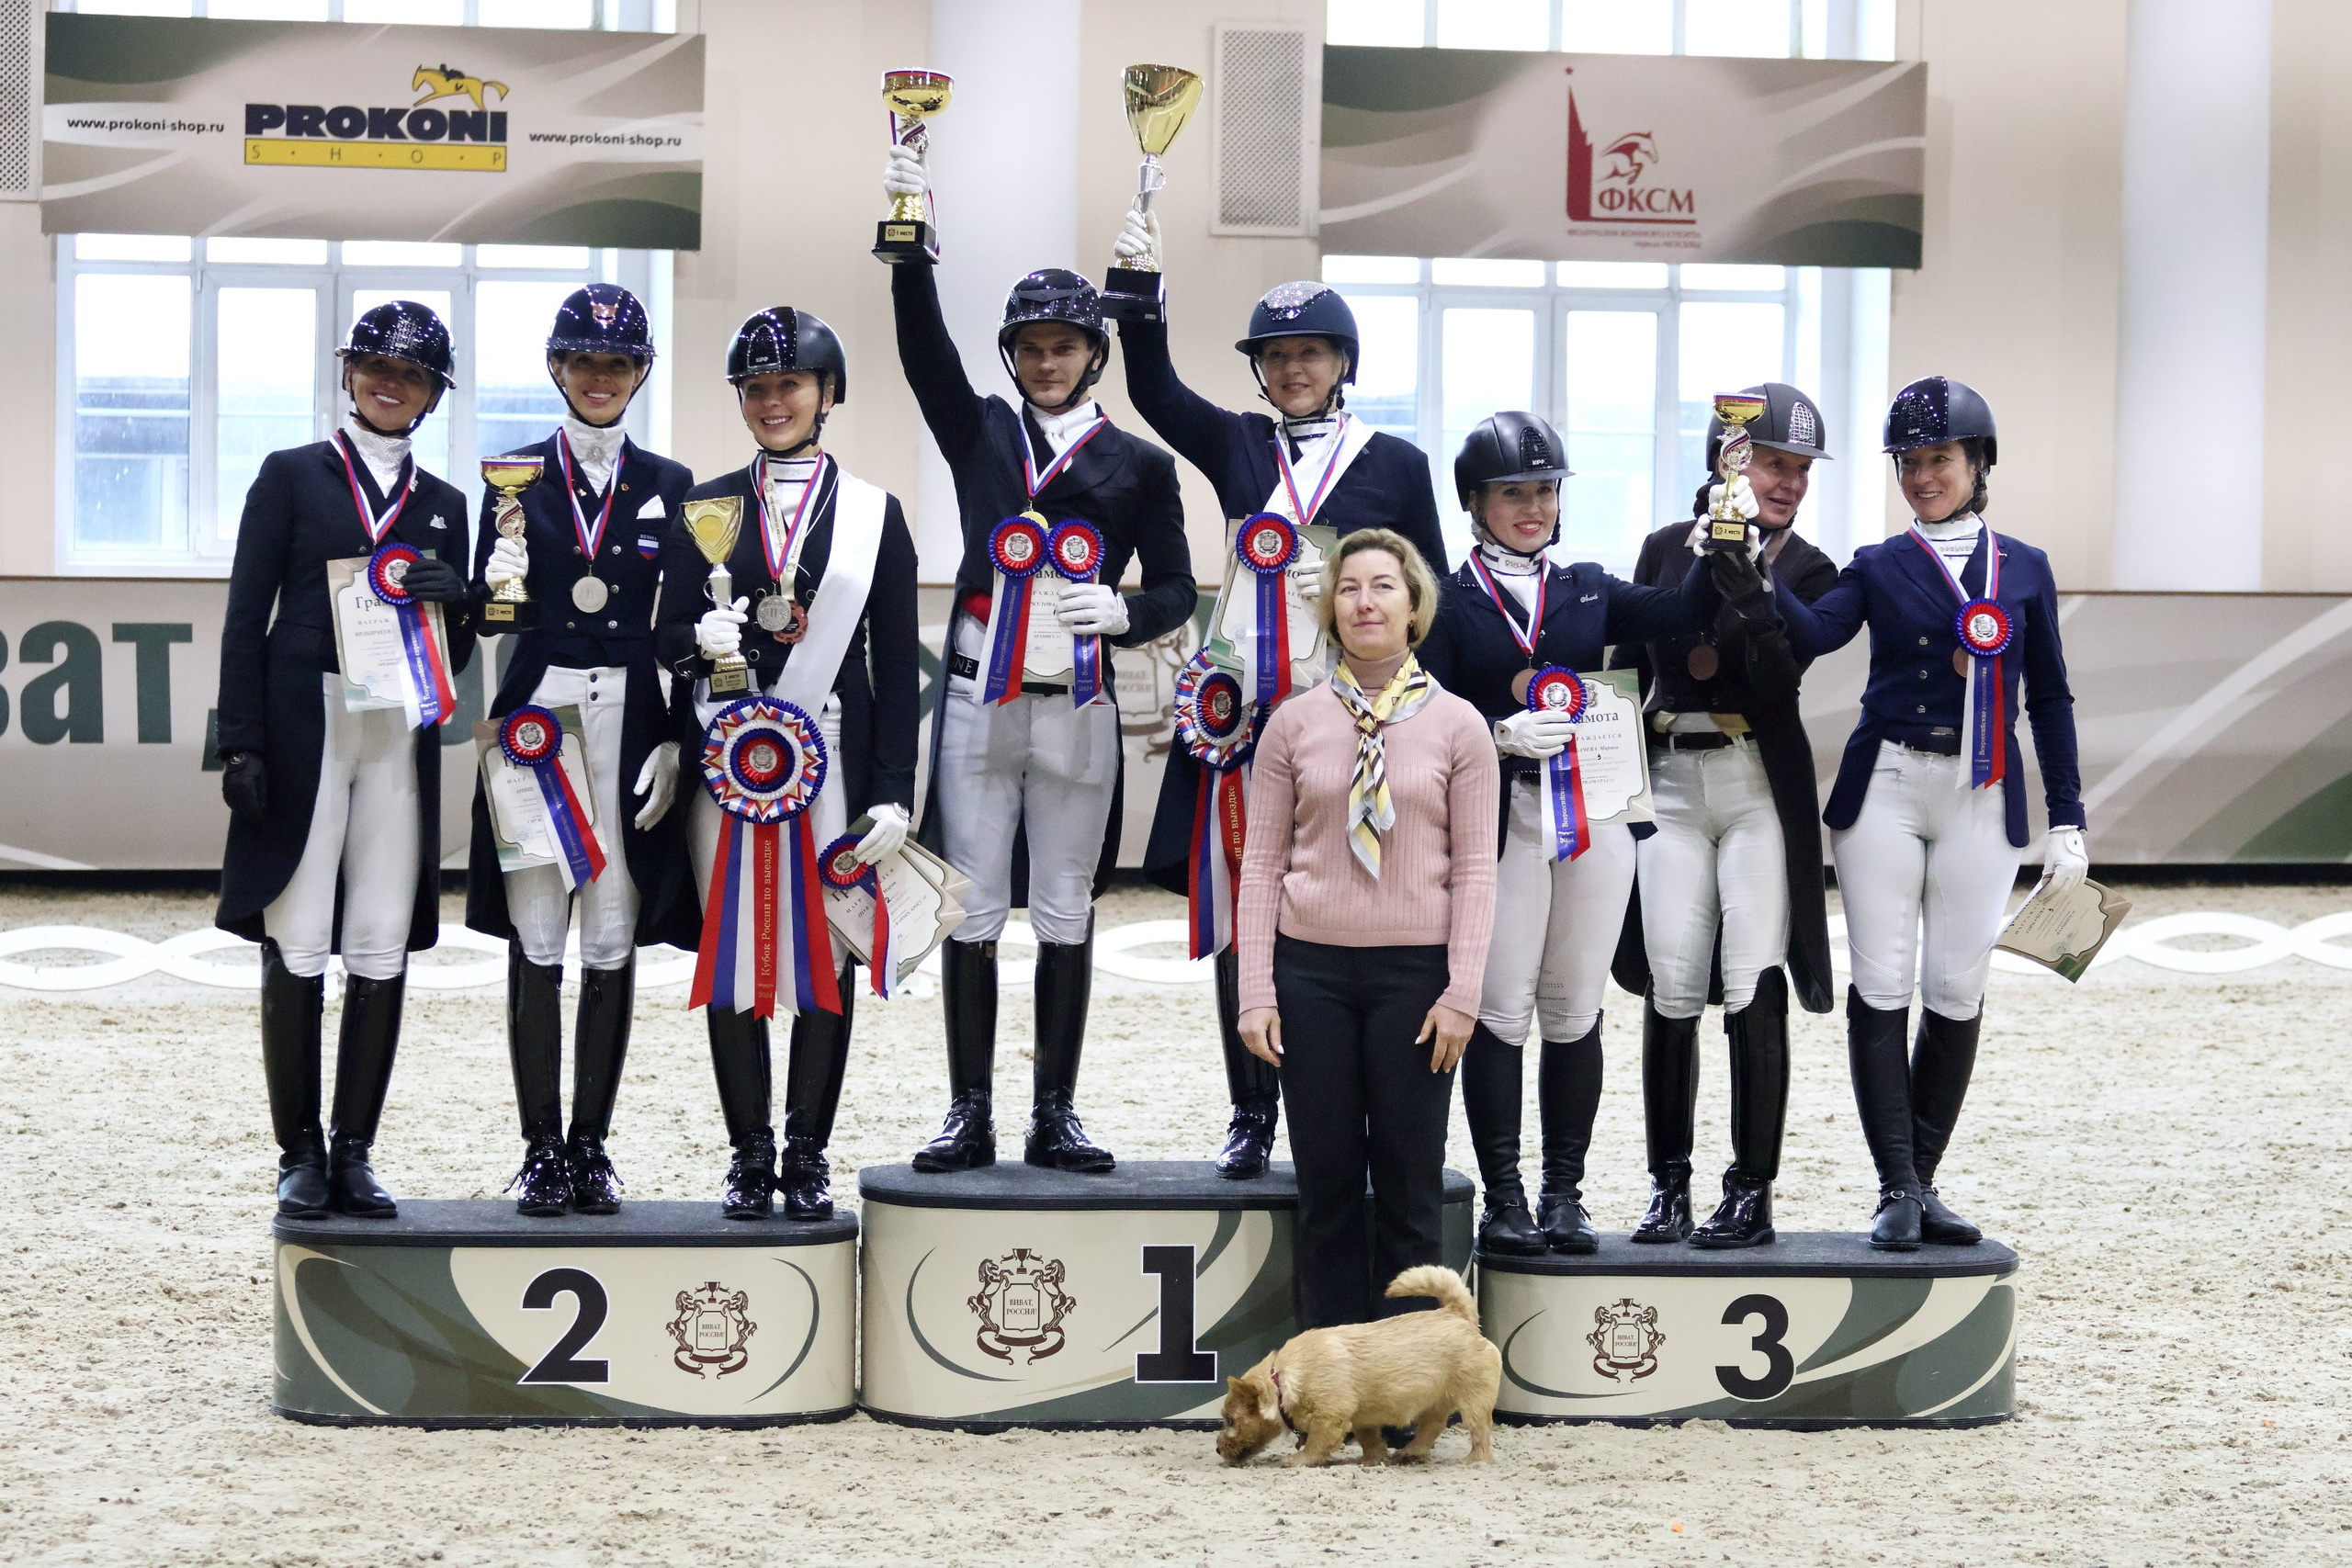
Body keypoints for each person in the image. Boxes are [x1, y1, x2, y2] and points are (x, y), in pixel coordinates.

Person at [883, 145, 1195, 1175]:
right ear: (1011, 353)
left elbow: (1175, 588)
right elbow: (923, 349)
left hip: (1081, 705)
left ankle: (1053, 1110)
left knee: (1064, 903)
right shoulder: (976, 430)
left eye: (1065, 345)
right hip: (977, 689)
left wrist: (1127, 608)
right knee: (971, 900)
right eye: (1031, 346)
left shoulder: (1140, 464)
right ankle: (966, 1107)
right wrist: (909, 240)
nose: (1047, 361)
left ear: (1092, 354)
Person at [1114, 231, 1448, 1179]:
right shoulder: (1237, 444)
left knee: (1353, 907)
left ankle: (1357, 1098)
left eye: (1308, 354)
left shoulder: (1394, 462)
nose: (1292, 369)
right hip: (1247, 720)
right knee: (1245, 914)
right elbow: (1155, 392)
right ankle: (1250, 1109)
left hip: (1358, 719)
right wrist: (1139, 287)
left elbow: (1431, 591)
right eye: (1275, 356)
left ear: (1342, 364)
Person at [1747, 376, 2085, 1251]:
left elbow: (2048, 698)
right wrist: (1755, 564)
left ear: (1978, 462)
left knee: (1956, 987)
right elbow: (1815, 634)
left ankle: (1923, 1178)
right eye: (1910, 462)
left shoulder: (2028, 568)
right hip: (1887, 788)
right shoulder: (1879, 564)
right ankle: (1896, 1186)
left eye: (1939, 458)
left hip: (1985, 795)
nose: (1924, 476)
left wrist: (2071, 817)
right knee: (1883, 982)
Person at [1415, 412, 1717, 1258]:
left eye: (1545, 490)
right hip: (1500, 816)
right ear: (1474, 501)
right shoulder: (1447, 597)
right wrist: (1494, 728)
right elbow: (1420, 703)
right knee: (1502, 1008)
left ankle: (1564, 1193)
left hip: (1597, 813)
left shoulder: (1588, 584)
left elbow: (1682, 612)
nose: (1533, 506)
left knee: (1575, 1007)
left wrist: (1714, 539)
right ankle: (1504, 1195)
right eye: (1514, 491)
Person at [655, 307, 921, 1220]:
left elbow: (895, 658)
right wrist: (696, 638)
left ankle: (806, 1151)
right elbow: (665, 637)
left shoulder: (874, 515)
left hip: (834, 755)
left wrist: (895, 789)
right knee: (733, 952)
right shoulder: (705, 505)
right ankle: (747, 1152)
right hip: (730, 758)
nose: (773, 402)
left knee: (828, 955)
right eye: (756, 388)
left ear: (826, 394)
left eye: (789, 385)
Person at [216, 301, 480, 1219]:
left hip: (394, 732)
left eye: (409, 375)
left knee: (376, 938)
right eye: (374, 366)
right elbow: (247, 613)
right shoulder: (291, 476)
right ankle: (298, 1150)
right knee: (297, 932)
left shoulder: (447, 506)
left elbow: (458, 658)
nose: (388, 383)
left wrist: (466, 605)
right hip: (305, 722)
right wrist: (240, 738)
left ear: (432, 395)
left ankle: (356, 1150)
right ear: (348, 373)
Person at [461, 284, 695, 1218]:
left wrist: (678, 737)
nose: (600, 377)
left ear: (639, 372)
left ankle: (592, 1148)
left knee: (610, 931)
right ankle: (539, 1151)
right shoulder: (510, 476)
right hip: (537, 712)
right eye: (583, 361)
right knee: (536, 932)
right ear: (557, 368)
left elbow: (684, 623)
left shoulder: (674, 486)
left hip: (631, 713)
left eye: (618, 362)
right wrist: (488, 584)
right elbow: (488, 616)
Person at [1235, 529, 1495, 1327]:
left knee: (1414, 1186)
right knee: (1328, 1184)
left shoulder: (1461, 728)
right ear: (1331, 607)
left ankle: (1409, 1382)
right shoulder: (1292, 724)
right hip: (1310, 976)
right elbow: (1262, 865)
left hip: (1416, 983)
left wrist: (1462, 994)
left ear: (1414, 606)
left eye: (1384, 585)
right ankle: (1331, 1383)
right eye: (1349, 587)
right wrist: (1254, 991)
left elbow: (1477, 870)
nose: (1365, 601)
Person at [1611, 384, 1840, 1249]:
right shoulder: (1664, 546)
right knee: (1672, 981)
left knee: (1751, 978)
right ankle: (1668, 1184)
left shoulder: (1811, 568)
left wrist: (1748, 578)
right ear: (1727, 458)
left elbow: (1783, 674)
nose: (1788, 482)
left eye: (1800, 469)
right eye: (1774, 461)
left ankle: (1751, 1188)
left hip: (1752, 785)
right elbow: (1630, 666)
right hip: (1669, 779)